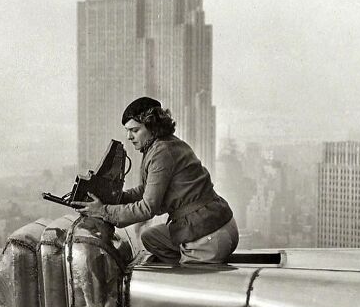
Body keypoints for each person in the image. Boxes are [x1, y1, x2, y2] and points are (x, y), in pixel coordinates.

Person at [73, 96, 238, 264]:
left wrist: (103, 211)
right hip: (218, 223)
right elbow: (147, 189)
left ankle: (189, 262)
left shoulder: (161, 152)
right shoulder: (164, 145)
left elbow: (147, 208)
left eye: (135, 130)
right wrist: (117, 198)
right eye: (127, 130)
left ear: (152, 127)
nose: (129, 136)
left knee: (185, 284)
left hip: (209, 233)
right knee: (150, 238)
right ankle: (185, 259)